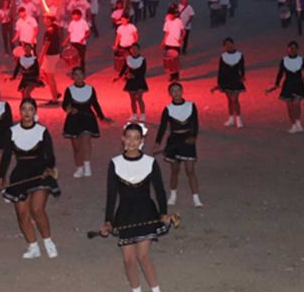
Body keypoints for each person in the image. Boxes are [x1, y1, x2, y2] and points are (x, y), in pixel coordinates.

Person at [100, 123, 171, 292]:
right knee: (128, 259)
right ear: (123, 138)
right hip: (125, 214)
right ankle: (136, 290)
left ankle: (155, 290)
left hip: (145, 212)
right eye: (129, 137)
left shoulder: (150, 162)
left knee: (143, 255)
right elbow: (111, 195)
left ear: (141, 140)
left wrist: (163, 214)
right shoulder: (115, 163)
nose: (132, 141)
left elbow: (160, 191)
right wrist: (108, 221)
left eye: (136, 138)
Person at [0, 98, 60, 259]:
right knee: (21, 213)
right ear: (20, 112)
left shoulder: (42, 131)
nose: (27, 113)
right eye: (24, 109)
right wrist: (1, 177)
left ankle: (48, 242)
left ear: (35, 112)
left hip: (39, 172)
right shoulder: (12, 131)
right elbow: (6, 156)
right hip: (20, 173)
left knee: (37, 209)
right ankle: (33, 246)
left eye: (30, 109)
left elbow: (50, 155)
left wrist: (49, 168)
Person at [154, 82, 203, 208]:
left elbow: (195, 124)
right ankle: (173, 195)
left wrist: (193, 137)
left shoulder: (191, 105)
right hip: (174, 140)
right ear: (170, 93)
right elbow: (163, 127)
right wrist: (158, 142)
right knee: (175, 170)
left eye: (178, 90)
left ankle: (196, 198)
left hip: (187, 140)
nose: (176, 93)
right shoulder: (168, 109)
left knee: (190, 170)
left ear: (182, 91)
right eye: (173, 91)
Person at [62, 67, 111, 178]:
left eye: (80, 74)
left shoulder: (90, 89)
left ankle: (87, 165)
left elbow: (95, 104)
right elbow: (65, 104)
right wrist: (68, 109)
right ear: (72, 77)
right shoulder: (69, 90)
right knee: (76, 146)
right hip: (74, 120)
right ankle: (79, 167)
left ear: (84, 76)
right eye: (76, 75)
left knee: (86, 142)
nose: (78, 77)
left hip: (88, 118)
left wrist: (102, 117)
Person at [265, 41, 304, 133]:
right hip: (288, 85)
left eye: (294, 48)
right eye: (291, 48)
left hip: (298, 84)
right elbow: (280, 73)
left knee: (296, 104)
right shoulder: (284, 60)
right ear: (288, 49)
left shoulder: (301, 59)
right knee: (290, 107)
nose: (292, 50)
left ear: (297, 49)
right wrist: (276, 84)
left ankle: (298, 122)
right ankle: (293, 124)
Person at [213, 38, 246, 128]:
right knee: (229, 100)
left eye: (230, 44)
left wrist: (242, 76)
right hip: (226, 80)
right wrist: (219, 82)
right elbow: (220, 70)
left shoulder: (239, 55)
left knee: (235, 99)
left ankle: (238, 119)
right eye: (226, 45)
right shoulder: (223, 56)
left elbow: (242, 67)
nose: (229, 46)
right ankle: (231, 118)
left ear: (233, 44)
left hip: (236, 79)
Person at [114, 43, 148, 122]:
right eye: (132, 49)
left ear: (139, 50)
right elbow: (124, 68)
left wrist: (133, 75)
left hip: (139, 80)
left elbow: (143, 71)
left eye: (136, 49)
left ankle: (142, 115)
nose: (134, 51)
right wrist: (120, 76)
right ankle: (134, 115)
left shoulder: (142, 59)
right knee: (132, 99)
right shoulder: (128, 59)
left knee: (139, 98)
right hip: (131, 80)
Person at [40, 15, 62, 104]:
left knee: (50, 77)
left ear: (49, 19)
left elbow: (46, 45)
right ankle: (55, 92)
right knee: (43, 71)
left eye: (45, 18)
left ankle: (54, 99)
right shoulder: (56, 27)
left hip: (51, 56)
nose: (44, 20)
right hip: (54, 55)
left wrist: (40, 57)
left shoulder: (49, 31)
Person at [161, 7, 184, 81]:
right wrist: (164, 41)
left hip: (176, 44)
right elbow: (166, 33)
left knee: (175, 61)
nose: (170, 16)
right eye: (169, 15)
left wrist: (181, 38)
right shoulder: (167, 22)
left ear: (174, 14)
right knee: (169, 61)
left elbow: (183, 31)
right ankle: (171, 76)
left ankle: (176, 76)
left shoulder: (179, 21)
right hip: (168, 43)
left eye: (171, 15)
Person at [63, 9, 90, 73]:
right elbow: (70, 34)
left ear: (80, 16)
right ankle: (74, 72)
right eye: (73, 16)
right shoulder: (71, 23)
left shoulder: (83, 22)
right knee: (73, 59)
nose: (74, 17)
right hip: (73, 43)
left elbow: (88, 32)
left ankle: (82, 72)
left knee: (81, 59)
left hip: (81, 43)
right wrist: (65, 41)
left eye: (76, 16)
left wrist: (83, 38)